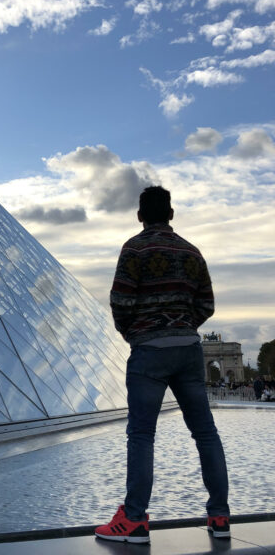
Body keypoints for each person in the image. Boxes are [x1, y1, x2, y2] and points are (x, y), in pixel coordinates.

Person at [95, 186, 230, 544]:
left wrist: (136, 333)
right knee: (206, 434)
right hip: (188, 349)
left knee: (141, 435)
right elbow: (207, 304)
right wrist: (183, 327)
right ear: (171, 214)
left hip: (149, 349)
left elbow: (120, 300)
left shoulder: (134, 249)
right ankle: (219, 516)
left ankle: (135, 520)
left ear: (140, 215)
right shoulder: (191, 252)